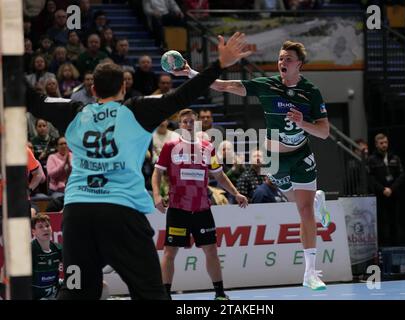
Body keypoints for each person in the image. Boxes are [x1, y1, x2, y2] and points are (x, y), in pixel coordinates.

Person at [26, 31, 252, 300]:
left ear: (93, 90)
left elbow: (33, 101)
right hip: (121, 213)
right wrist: (218, 65)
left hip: (76, 214)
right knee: (150, 293)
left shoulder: (74, 112)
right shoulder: (136, 110)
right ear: (123, 88)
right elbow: (182, 96)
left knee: (76, 292)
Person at [178, 40, 331, 290]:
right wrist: (190, 72)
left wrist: (304, 123)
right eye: (281, 58)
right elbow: (223, 85)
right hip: (275, 158)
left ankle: (310, 273)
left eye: (288, 59)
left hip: (301, 153)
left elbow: (324, 132)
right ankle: (316, 200)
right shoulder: (266, 85)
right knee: (298, 202)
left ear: (299, 64)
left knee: (304, 213)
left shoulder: (311, 92)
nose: (283, 62)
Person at [151, 108, 248, 300]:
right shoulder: (170, 146)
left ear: (197, 124)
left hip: (202, 208)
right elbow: (157, 173)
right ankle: (165, 295)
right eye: (184, 122)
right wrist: (156, 195)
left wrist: (236, 193)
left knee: (211, 250)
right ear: (180, 125)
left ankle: (220, 293)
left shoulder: (207, 147)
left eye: (191, 122)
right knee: (170, 252)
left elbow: (219, 175)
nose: (188, 125)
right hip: (178, 208)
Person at [367, 133, 405, 246]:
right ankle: (383, 248)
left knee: (395, 222)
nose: (384, 145)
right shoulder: (371, 160)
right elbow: (370, 178)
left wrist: (391, 189)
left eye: (386, 142)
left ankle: (396, 247)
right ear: (376, 144)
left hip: (394, 194)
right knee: (382, 223)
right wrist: (383, 189)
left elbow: (402, 175)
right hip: (379, 195)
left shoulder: (394, 157)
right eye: (381, 143)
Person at [31, 213, 63, 300]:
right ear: (33, 231)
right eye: (40, 227)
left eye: (47, 226)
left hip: (55, 292)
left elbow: (74, 266)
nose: (45, 229)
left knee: (102, 286)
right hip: (36, 297)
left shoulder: (58, 248)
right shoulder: (29, 251)